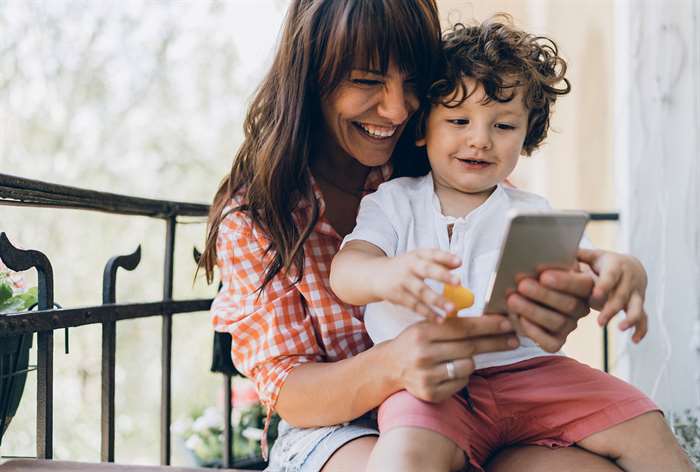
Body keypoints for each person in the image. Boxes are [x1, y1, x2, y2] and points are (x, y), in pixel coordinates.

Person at [202, 1, 621, 470]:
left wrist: (554, 305)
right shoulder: (258, 215)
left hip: (473, 405)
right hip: (336, 427)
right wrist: (395, 363)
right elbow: (290, 393)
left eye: (413, 82)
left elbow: (511, 284)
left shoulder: (449, 158)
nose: (397, 109)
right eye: (367, 80)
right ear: (310, 77)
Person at [330, 16, 692, 472]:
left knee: (645, 422)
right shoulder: (395, 201)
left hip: (531, 374)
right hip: (430, 382)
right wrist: (387, 274)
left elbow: (586, 269)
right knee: (401, 460)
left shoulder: (532, 210)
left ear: (527, 134)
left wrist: (624, 271)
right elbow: (346, 270)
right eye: (459, 120)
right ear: (422, 128)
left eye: (503, 126)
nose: (480, 140)